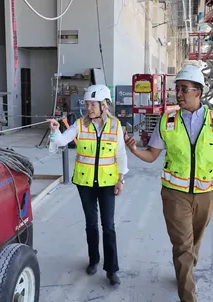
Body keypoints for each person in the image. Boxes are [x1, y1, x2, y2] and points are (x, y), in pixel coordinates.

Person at [124, 65, 213, 302]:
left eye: (184, 89)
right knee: (183, 247)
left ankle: (184, 269)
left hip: (206, 194)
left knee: (194, 242)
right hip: (175, 195)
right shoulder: (167, 121)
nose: (179, 94)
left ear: (198, 92)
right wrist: (135, 149)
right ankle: (188, 295)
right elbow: (152, 155)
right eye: (177, 89)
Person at [46, 84, 128, 286]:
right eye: (87, 104)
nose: (89, 108)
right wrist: (56, 131)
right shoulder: (80, 125)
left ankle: (112, 269)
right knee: (91, 224)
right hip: (85, 183)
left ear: (105, 105)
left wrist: (121, 179)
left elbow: (121, 154)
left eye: (93, 104)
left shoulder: (116, 126)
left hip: (108, 182)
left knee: (108, 226)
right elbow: (62, 141)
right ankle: (94, 260)